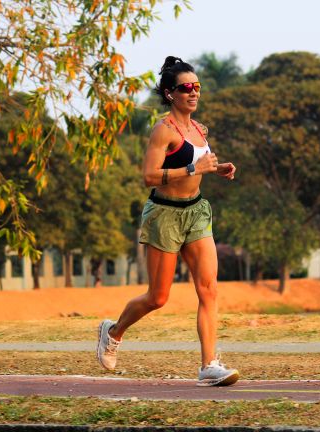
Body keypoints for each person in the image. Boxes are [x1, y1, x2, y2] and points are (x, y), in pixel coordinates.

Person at [96, 56, 239, 387]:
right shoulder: (163, 130)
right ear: (169, 93)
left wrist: (217, 168)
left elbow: (199, 165)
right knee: (158, 297)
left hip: (196, 211)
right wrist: (193, 169)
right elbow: (149, 176)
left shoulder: (199, 129)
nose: (193, 93)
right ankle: (113, 331)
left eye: (197, 87)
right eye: (186, 88)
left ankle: (209, 364)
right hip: (164, 215)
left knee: (208, 288)